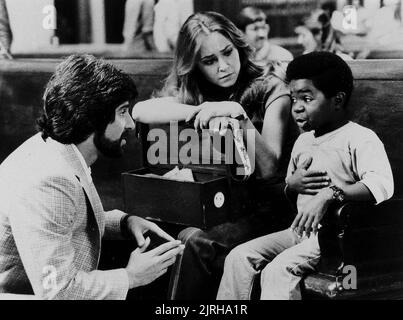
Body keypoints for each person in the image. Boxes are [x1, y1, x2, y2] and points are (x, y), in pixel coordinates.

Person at [132, 11, 302, 299]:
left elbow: (270, 166)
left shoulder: (271, 87)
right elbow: (140, 111)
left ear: (238, 46)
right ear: (195, 65)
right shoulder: (199, 93)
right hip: (224, 204)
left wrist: (238, 116)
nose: (224, 67)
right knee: (154, 234)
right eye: (210, 61)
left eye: (228, 53)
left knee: (196, 241)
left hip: (272, 208)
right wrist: (201, 111)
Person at [0, 54, 184, 299]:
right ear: (91, 118)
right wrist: (131, 277)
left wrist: (124, 222)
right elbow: (58, 291)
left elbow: (65, 220)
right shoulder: (49, 180)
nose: (130, 124)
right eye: (122, 112)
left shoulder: (58, 150)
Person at [217, 51, 394, 300]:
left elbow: (383, 184)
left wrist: (330, 194)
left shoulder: (359, 138)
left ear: (338, 100)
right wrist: (292, 185)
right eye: (293, 98)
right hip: (299, 231)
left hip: (333, 239)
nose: (297, 107)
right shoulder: (303, 141)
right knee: (238, 257)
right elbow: (292, 194)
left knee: (278, 271)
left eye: (307, 98)